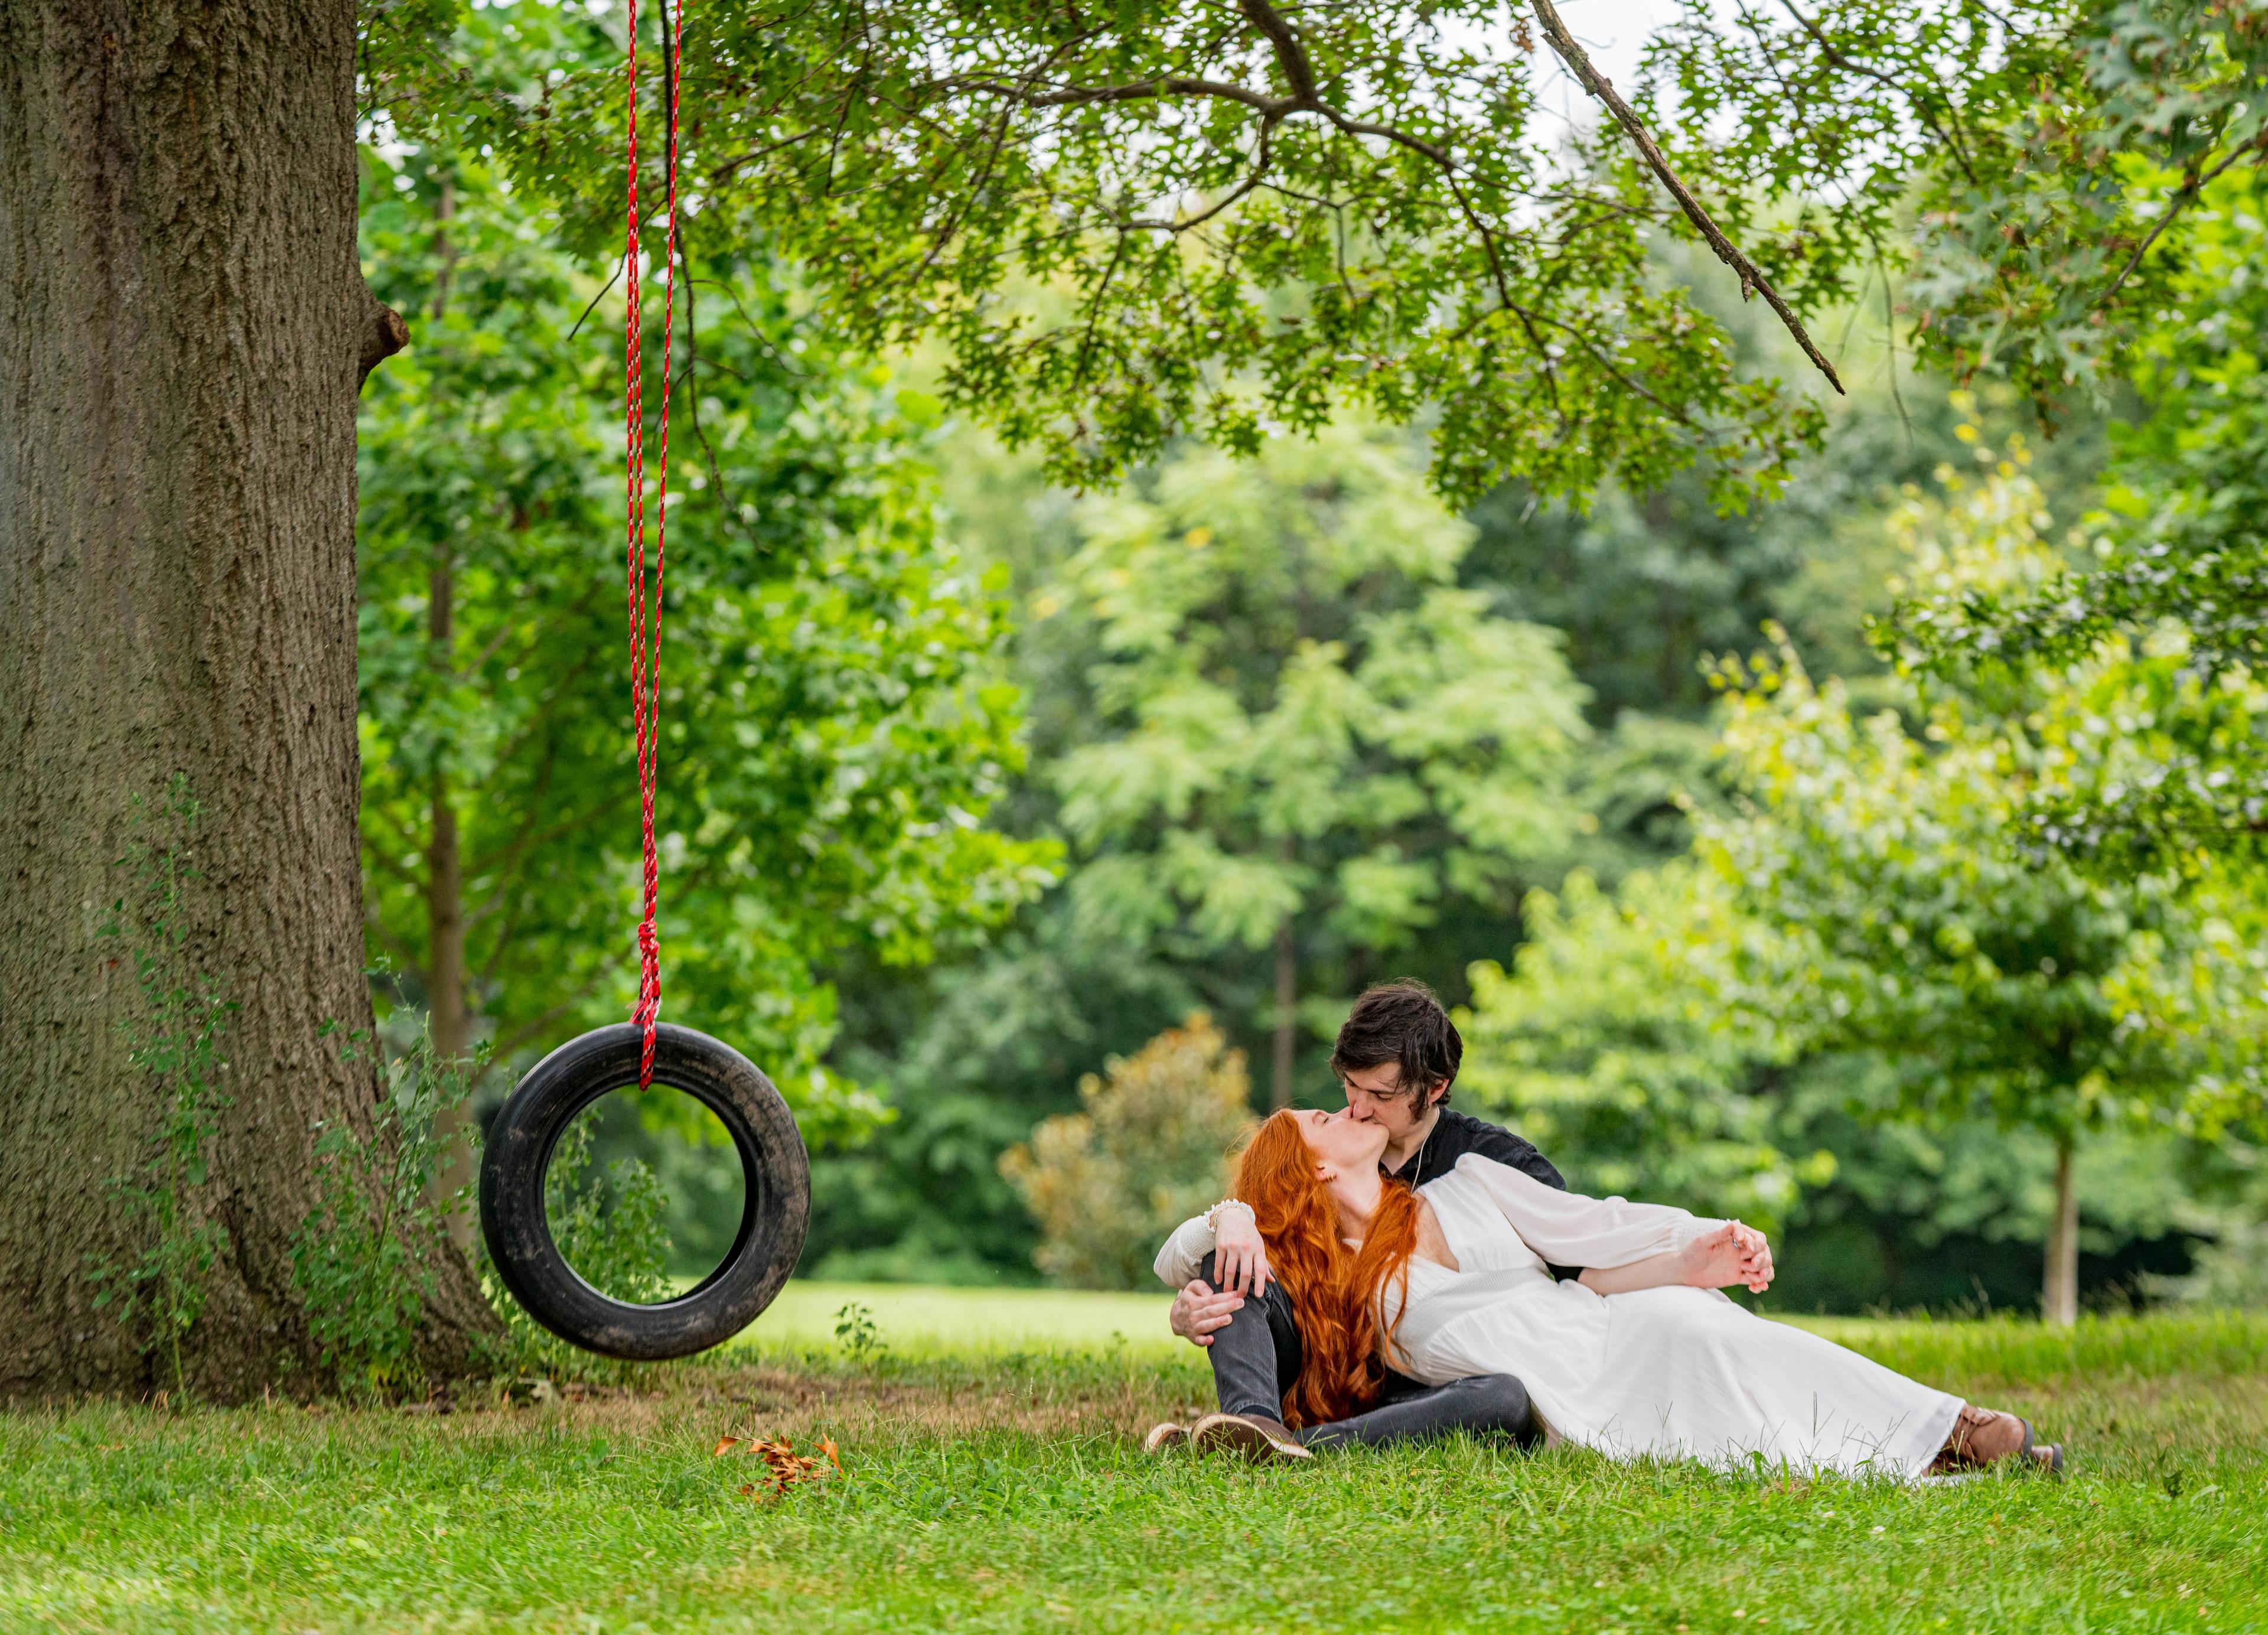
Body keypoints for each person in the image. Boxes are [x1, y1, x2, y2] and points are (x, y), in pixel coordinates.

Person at [1156, 1106, 2065, 1479]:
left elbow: (1593, 1233)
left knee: (1705, 1328)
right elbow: (1183, 1265)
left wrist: (1695, 1248)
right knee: (1506, 1399)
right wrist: (1231, 1215)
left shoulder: (1467, 1184)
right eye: (1323, 1117)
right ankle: (1276, 1442)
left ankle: (1951, 1427)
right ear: (1307, 1165)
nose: (1350, 1109)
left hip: (1595, 1328)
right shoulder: (1327, 1274)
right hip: (1539, 1386)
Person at [1153, 981, 1576, 1458]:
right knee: (1226, 1264)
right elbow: (1243, 1229)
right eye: (1350, 1085)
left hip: (1428, 1384)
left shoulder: (1497, 1163)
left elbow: (1576, 1267)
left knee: (1504, 1398)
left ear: (1435, 1089)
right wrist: (1226, 1219)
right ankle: (1253, 1420)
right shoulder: (1343, 1148)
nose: (1355, 1108)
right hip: (1327, 1365)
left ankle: (1281, 1447)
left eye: (1378, 1093)